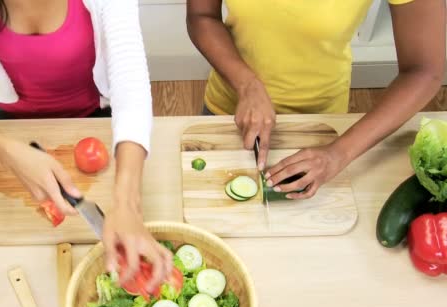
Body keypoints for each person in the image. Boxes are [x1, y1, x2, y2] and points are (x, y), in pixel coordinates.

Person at [0, 0, 173, 291]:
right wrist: (7, 151)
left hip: (95, 118)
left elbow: (129, 83)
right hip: (6, 126)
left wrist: (128, 202)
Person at [187, 0, 445, 198]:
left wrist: (339, 154)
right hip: (229, 109)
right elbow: (202, 16)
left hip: (319, 123)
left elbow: (425, 70)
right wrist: (246, 84)